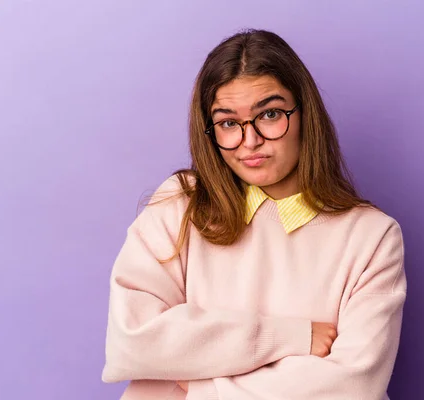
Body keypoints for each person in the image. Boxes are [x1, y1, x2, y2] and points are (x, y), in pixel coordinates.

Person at [101, 28, 406, 400]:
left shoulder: (371, 237)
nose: (250, 141)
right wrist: (293, 337)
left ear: (304, 114)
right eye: (228, 123)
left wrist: (198, 383)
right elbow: (134, 341)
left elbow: (351, 387)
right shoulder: (180, 204)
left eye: (270, 114)